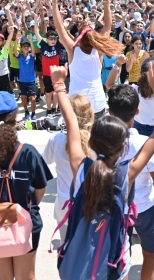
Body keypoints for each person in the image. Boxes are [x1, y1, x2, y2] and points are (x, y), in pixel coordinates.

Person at [52, 60, 154, 280]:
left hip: (81, 255)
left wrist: (59, 86)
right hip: (115, 256)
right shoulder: (127, 175)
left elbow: (72, 125)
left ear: (92, 143)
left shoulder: (81, 166)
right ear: (124, 146)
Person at [0, 91, 53, 280]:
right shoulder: (28, 153)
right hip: (27, 225)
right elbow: (40, 189)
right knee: (27, 277)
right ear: (14, 121)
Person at [107, 84, 154, 280]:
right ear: (137, 111)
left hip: (117, 210)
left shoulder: (102, 143)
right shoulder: (144, 143)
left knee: (121, 255)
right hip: (145, 209)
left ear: (109, 112)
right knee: (150, 253)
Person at [51, 0, 123, 117]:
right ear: (94, 37)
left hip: (77, 104)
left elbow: (58, 26)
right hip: (98, 102)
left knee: (78, 137)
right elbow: (107, 25)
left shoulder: (72, 51)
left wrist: (54, 0)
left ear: (78, 37)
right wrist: (106, 0)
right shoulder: (99, 50)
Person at [42, 94, 94, 243]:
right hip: (90, 208)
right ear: (90, 115)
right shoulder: (97, 141)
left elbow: (42, 162)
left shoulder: (57, 140)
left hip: (64, 207)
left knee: (66, 253)